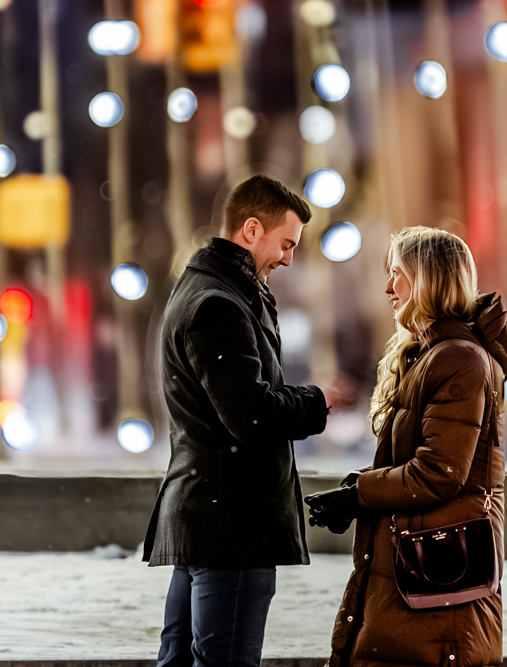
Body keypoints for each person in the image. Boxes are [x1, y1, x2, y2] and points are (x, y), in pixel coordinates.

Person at [144, 174, 350, 667]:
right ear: (252, 230)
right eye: (286, 244)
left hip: (207, 520)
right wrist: (317, 401)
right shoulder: (219, 304)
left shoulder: (207, 289)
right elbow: (251, 415)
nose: (288, 258)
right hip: (231, 526)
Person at [306, 226, 507, 667]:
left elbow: (440, 472)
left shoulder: (458, 359)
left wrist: (359, 494)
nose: (388, 287)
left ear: (428, 280)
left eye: (397, 274)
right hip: (420, 570)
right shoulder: (430, 354)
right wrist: (357, 490)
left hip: (438, 578)